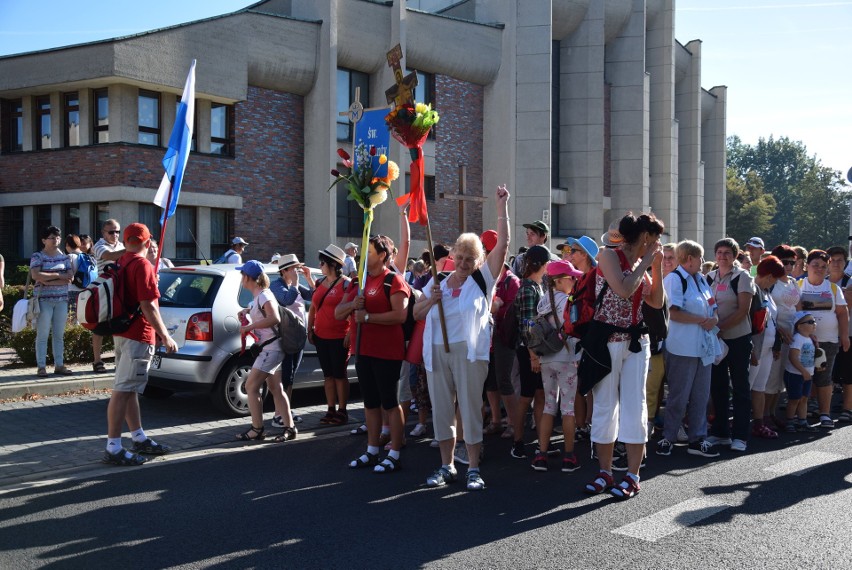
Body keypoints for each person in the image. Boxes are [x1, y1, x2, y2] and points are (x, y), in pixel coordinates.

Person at [413, 184, 510, 491]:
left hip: (469, 352)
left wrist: (501, 208)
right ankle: (446, 465)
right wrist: (431, 301)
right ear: (452, 254)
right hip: (437, 350)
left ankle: (474, 468)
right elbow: (416, 314)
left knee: (469, 407)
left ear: (478, 260)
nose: (465, 262)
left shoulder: (482, 280)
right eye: (461, 256)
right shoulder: (438, 280)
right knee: (442, 408)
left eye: (471, 258)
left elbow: (504, 244)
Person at [583, 212, 664, 500]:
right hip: (607, 340)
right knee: (605, 406)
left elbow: (655, 302)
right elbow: (624, 288)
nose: (656, 244)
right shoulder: (609, 256)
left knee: (635, 406)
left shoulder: (643, 262)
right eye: (654, 239)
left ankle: (632, 475)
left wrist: (658, 270)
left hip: (637, 341)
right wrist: (646, 262)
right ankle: (605, 471)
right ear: (645, 237)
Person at [102, 223, 178, 466]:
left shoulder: (123, 261)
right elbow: (148, 306)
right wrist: (165, 335)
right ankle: (113, 446)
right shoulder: (142, 265)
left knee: (130, 388)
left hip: (122, 332)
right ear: (148, 242)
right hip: (138, 335)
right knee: (123, 390)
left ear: (125, 241)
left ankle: (138, 437)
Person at [336, 235, 410, 474]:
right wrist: (352, 305)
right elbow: (339, 312)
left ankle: (395, 454)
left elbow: (400, 315)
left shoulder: (394, 280)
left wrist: (368, 317)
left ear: (382, 256)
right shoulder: (359, 280)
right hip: (363, 350)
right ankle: (371, 451)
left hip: (388, 351)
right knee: (370, 402)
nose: (364, 256)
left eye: (369, 252)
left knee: (390, 402)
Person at [658, 240, 719, 458]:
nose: (703, 262)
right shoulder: (674, 279)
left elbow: (713, 305)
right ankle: (669, 437)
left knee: (701, 395)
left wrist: (713, 318)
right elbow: (673, 312)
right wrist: (703, 320)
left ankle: (697, 438)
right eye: (701, 257)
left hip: (703, 348)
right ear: (690, 258)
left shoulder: (701, 279)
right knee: (678, 396)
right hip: (682, 347)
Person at [234, 260, 298, 443]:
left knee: (250, 387)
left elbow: (274, 318)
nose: (241, 278)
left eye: (242, 275)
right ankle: (290, 428)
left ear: (248, 278)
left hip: (270, 349)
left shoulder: (263, 296)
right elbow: (263, 311)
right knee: (276, 388)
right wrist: (247, 310)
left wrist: (250, 327)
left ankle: (257, 429)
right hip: (272, 348)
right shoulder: (260, 296)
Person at [530, 259, 584, 473]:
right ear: (560, 281)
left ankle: (541, 455)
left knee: (549, 405)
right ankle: (569, 456)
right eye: (571, 278)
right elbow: (575, 328)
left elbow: (530, 324)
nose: (573, 281)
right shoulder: (567, 301)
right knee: (568, 408)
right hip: (566, 357)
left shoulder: (542, 301)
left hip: (546, 357)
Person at [706, 238, 755, 453]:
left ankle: (741, 435)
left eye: (727, 252)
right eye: (719, 251)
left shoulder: (742, 277)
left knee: (740, 387)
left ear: (735, 256)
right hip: (716, 341)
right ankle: (721, 432)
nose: (722, 256)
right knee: (717, 386)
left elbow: (742, 311)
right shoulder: (709, 277)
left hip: (737, 339)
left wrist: (719, 328)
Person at [796, 249, 849, 428]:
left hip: (828, 340)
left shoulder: (833, 288)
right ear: (806, 266)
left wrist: (844, 336)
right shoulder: (798, 285)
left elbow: (842, 313)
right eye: (815, 265)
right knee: (804, 375)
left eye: (823, 266)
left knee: (824, 377)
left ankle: (824, 413)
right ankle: (802, 412)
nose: (819, 269)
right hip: (803, 341)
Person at [269, 254, 314, 425]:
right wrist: (295, 284)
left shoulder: (293, 284)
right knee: (285, 376)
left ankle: (285, 409)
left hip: (298, 335)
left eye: (297, 267)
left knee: (292, 374)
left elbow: (312, 295)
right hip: (285, 336)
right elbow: (287, 300)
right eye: (294, 268)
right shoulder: (277, 286)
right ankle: (277, 414)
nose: (297, 271)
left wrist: (309, 279)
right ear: (284, 271)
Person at [563, 235, 599, 437]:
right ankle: (583, 424)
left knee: (593, 384)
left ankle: (591, 423)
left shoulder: (594, 276)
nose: (570, 254)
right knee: (581, 384)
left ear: (585, 254)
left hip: (591, 337)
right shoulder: (581, 278)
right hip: (579, 336)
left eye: (574, 251)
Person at [747, 256, 785, 439]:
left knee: (759, 387)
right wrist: (751, 350)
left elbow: (773, 322)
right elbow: (748, 323)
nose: (775, 282)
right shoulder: (752, 290)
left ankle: (758, 424)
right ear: (769, 276)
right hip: (756, 349)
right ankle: (740, 424)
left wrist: (776, 345)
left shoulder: (767, 292)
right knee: (747, 386)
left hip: (768, 349)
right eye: (775, 278)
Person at [764, 245, 800, 430]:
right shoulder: (772, 282)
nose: (788, 266)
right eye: (784, 262)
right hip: (775, 334)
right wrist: (779, 330)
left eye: (792, 262)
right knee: (771, 377)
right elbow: (766, 311)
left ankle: (772, 412)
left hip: (793, 336)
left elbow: (798, 308)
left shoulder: (793, 282)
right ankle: (763, 416)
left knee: (780, 380)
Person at [30, 226, 74, 377]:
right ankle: (41, 366)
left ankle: (59, 365)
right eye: (52, 238)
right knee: (42, 334)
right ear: (43, 240)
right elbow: (36, 275)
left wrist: (49, 279)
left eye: (58, 238)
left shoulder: (65, 257)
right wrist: (58, 274)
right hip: (43, 300)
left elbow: (70, 277)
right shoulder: (38, 256)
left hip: (61, 299)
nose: (56, 240)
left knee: (59, 335)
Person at [91, 219, 126, 373]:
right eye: (111, 232)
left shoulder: (122, 246)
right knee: (100, 327)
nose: (115, 235)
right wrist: (132, 248)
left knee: (120, 325)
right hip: (103, 290)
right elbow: (109, 255)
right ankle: (97, 360)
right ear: (103, 233)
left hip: (119, 290)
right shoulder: (98, 246)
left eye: (117, 231)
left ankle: (119, 360)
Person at [826, 246, 852, 423]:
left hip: (847, 334)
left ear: (845, 262)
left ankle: (848, 408)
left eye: (839, 260)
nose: (835, 264)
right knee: (824, 373)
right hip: (825, 335)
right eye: (832, 260)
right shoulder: (821, 281)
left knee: (848, 373)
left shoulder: (849, 282)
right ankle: (820, 407)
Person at [783, 311, 818, 432]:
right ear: (799, 326)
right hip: (795, 374)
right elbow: (793, 357)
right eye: (810, 322)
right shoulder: (798, 339)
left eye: (814, 321)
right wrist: (803, 371)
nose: (814, 324)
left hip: (807, 374)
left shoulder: (810, 339)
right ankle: (790, 421)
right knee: (794, 399)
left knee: (804, 398)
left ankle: (802, 421)